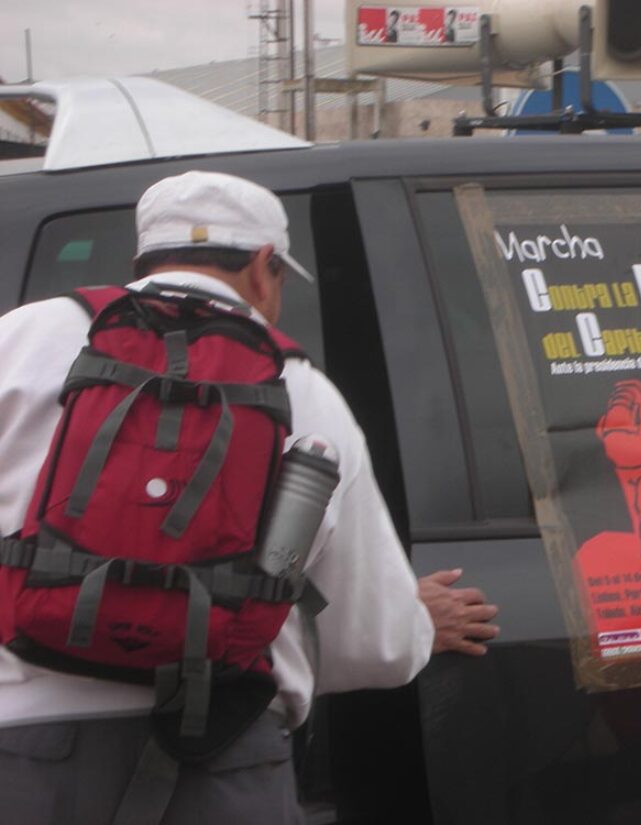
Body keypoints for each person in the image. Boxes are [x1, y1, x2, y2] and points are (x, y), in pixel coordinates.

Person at [0, 170, 496, 824]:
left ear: (141, 262)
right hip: (222, 763)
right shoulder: (302, 391)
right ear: (265, 267)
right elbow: (371, 644)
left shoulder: (18, 341)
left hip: (26, 758)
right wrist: (417, 619)